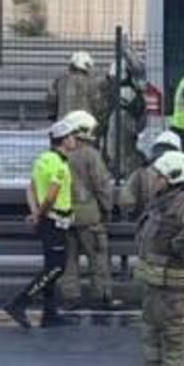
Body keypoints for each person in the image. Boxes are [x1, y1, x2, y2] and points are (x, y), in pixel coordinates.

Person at [119, 131, 184, 344]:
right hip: (182, 248)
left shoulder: (142, 173)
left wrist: (142, 217)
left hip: (153, 242)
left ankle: (158, 333)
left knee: (153, 291)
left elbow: (126, 201)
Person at [130, 151, 184, 366]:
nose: (154, 179)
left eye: (159, 176)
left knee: (173, 325)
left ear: (173, 177)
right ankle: (152, 365)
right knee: (151, 321)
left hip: (173, 275)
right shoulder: (163, 200)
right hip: (157, 274)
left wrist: (175, 245)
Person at [3, 118, 78, 330]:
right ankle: (20, 302)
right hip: (56, 220)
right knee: (56, 267)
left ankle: (49, 313)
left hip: (47, 220)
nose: (75, 140)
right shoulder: (60, 165)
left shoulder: (42, 159)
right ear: (64, 140)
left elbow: (31, 187)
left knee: (50, 266)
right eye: (72, 136)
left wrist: (35, 212)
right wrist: (39, 213)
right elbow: (52, 195)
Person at [60, 111, 118, 311]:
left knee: (69, 260)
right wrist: (107, 208)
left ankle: (70, 297)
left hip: (64, 215)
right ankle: (101, 296)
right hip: (90, 216)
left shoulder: (60, 154)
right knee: (98, 258)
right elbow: (102, 185)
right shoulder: (91, 154)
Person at [102, 50, 148, 179]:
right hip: (128, 114)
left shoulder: (125, 86)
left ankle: (123, 174)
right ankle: (124, 174)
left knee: (118, 148)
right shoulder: (132, 81)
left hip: (124, 114)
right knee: (122, 148)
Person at [47, 51, 101, 121]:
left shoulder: (59, 80)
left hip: (64, 120)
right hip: (86, 120)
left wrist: (53, 114)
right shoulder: (93, 81)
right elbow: (97, 102)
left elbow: (51, 99)